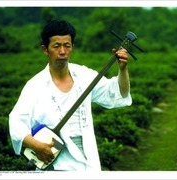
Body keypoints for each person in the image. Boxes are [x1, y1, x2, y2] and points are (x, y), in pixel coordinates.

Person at [9, 19, 132, 171]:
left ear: (72, 47)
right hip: (56, 161)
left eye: (67, 45)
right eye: (56, 46)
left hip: (88, 158)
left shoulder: (84, 75)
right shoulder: (35, 86)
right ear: (45, 49)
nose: (62, 51)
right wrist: (37, 146)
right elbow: (16, 123)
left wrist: (123, 69)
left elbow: (117, 92)